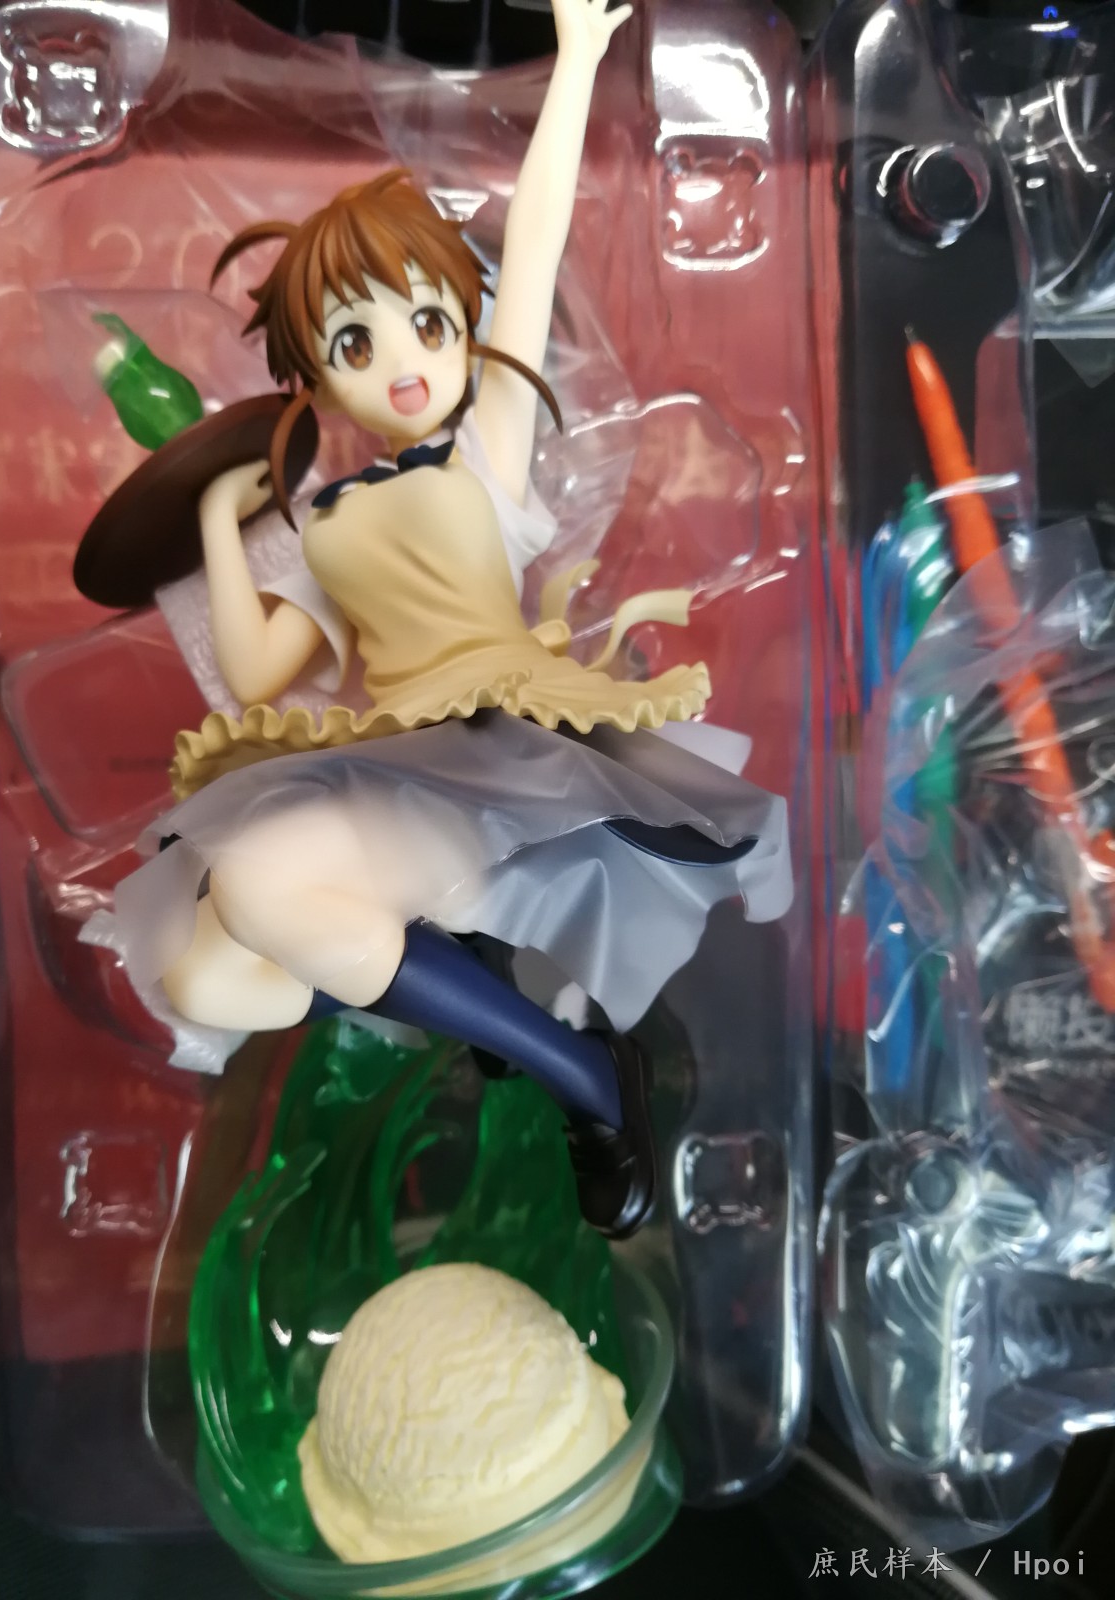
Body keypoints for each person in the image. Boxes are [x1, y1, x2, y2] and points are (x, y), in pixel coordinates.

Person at [80, 0, 792, 1238]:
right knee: (205, 971)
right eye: (353, 341)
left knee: (257, 884)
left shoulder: (486, 457)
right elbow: (257, 669)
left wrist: (578, 60)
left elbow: (538, 238)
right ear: (316, 373)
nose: (400, 360)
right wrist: (217, 521)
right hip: (382, 758)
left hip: (491, 752)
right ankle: (469, 998)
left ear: (465, 323)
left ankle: (582, 1076)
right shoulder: (324, 522)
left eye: (426, 321)